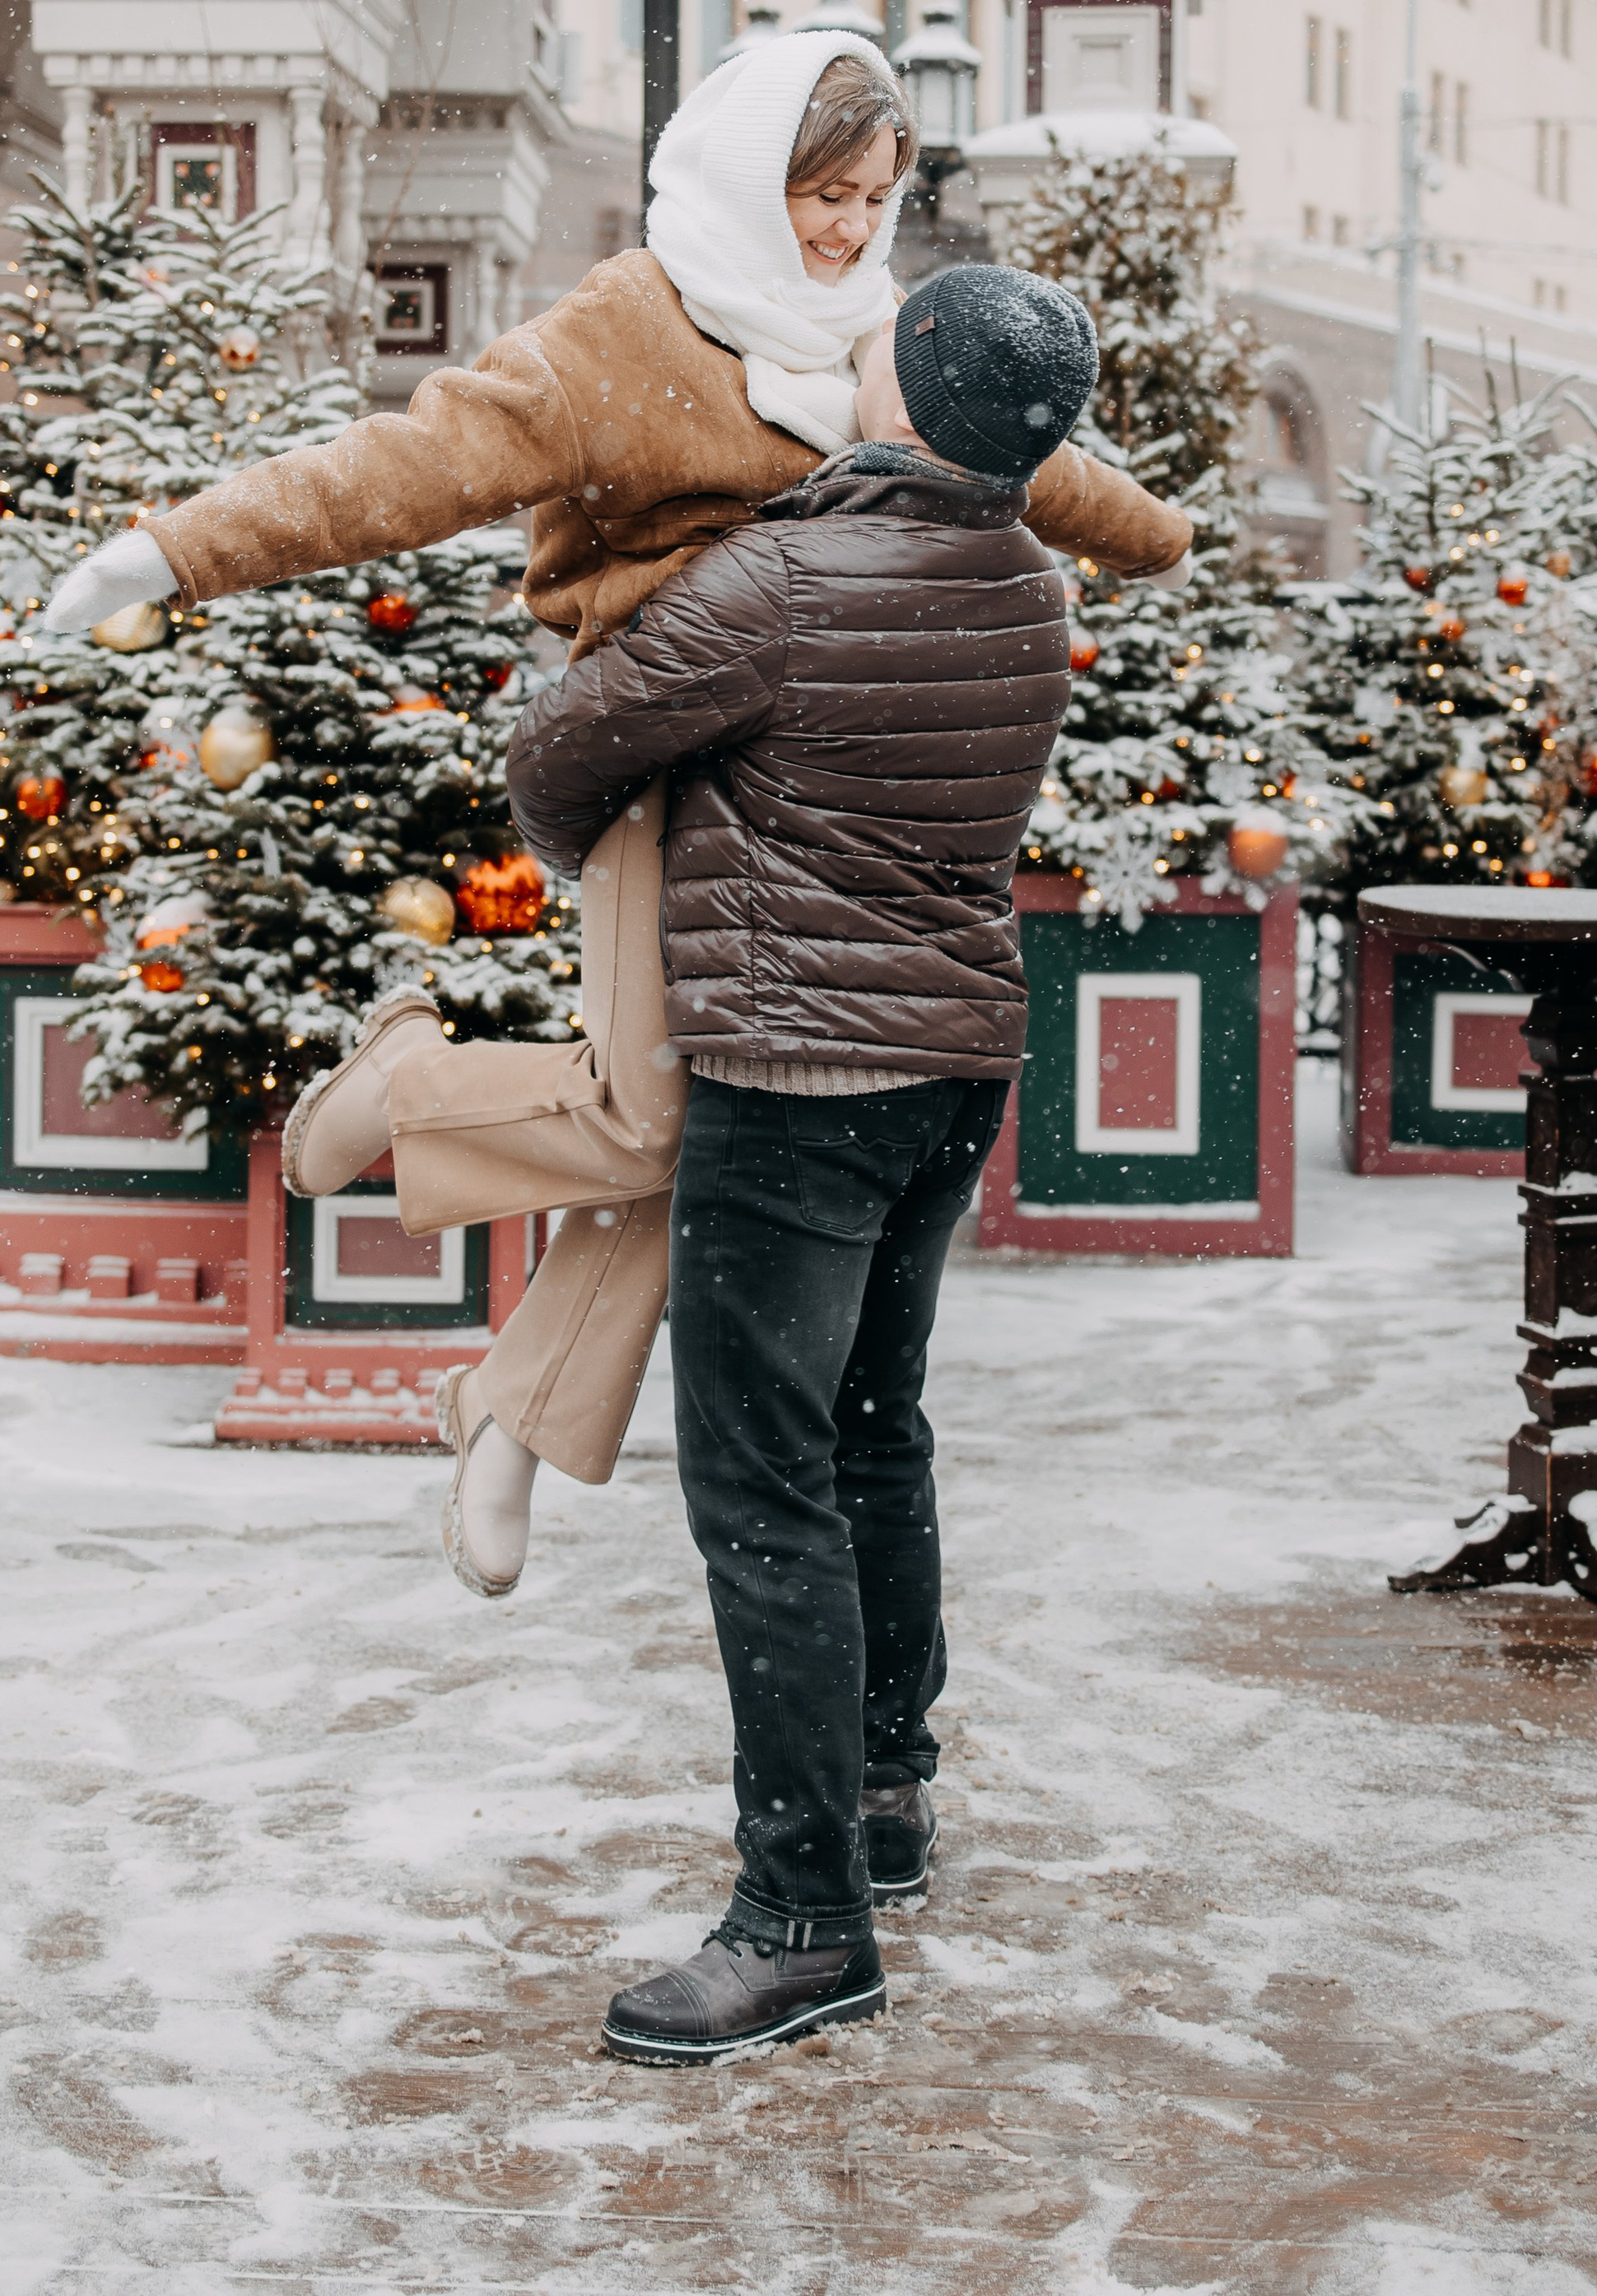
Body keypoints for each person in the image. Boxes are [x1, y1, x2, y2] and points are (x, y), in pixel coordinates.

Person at [40, 34, 1191, 1596]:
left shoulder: (875, 342)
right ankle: (414, 1085)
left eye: (874, 195)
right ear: (743, 173)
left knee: (700, 1150)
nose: (852, 229)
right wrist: (173, 553)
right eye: (822, 191)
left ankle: (511, 1415)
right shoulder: (626, 330)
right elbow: (407, 464)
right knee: (659, 1121)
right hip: (665, 765)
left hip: (799, 796)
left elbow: (1024, 459)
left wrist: (1162, 532)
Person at [491, 258, 1094, 2063]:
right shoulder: (1030, 581)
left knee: (762, 1482)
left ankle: (800, 1918)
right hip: (944, 1065)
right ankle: (886, 1791)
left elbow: (559, 752)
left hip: (791, 1074)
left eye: (878, 341)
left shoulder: (780, 579)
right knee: (870, 1428)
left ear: (906, 393)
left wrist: (613, 851)